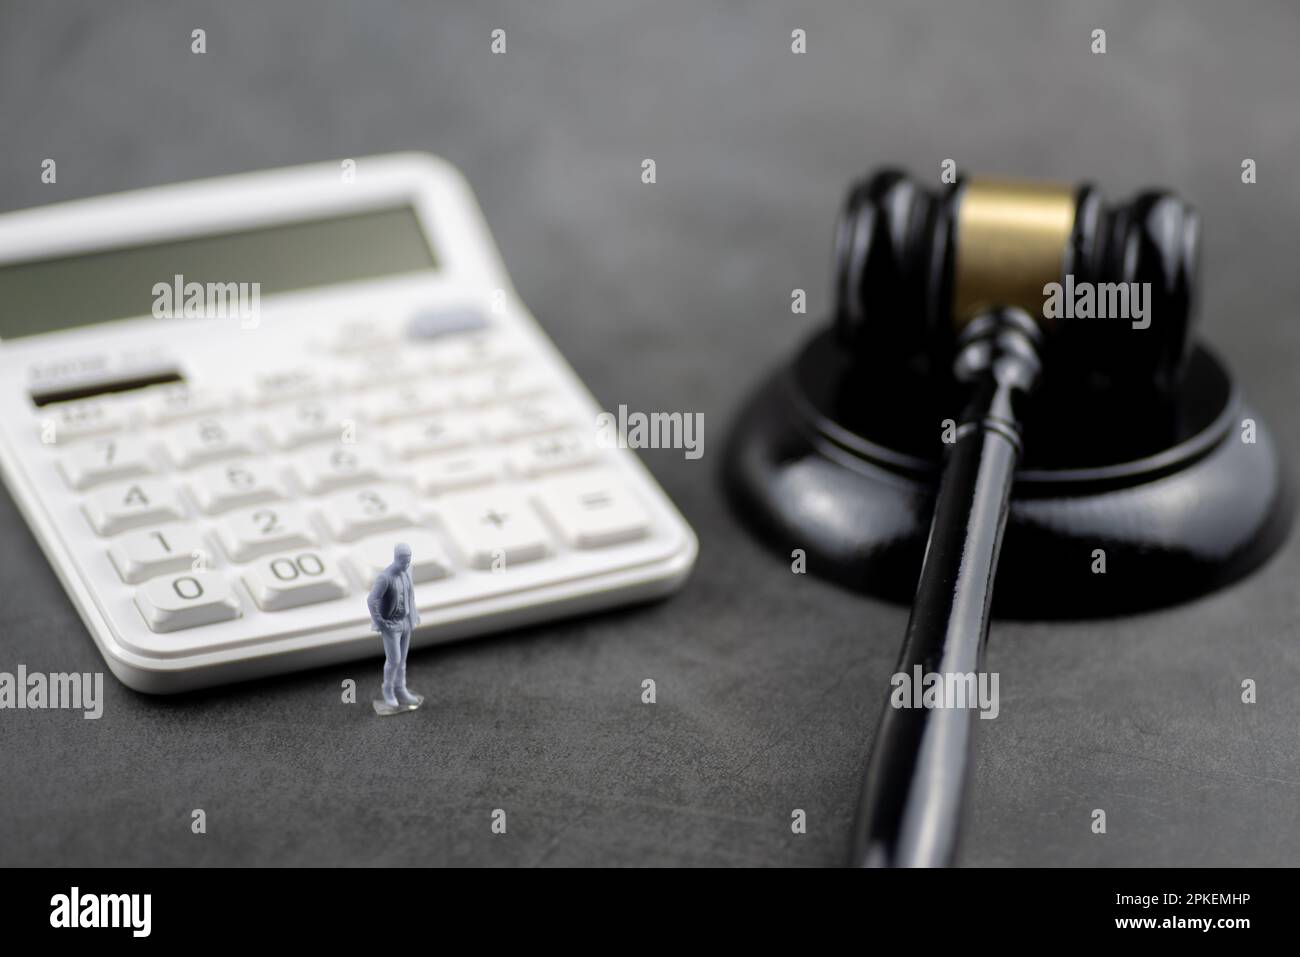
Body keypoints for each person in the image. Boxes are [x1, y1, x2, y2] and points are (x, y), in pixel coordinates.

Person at [366, 542, 423, 714]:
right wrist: (381, 622)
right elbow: (371, 600)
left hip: (406, 621)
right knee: (394, 660)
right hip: (391, 625)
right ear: (395, 558)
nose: (406, 563)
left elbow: (410, 594)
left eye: (408, 560)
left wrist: (412, 614)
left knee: (403, 660)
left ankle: (401, 689)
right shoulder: (385, 577)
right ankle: (388, 690)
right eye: (402, 560)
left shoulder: (408, 570)